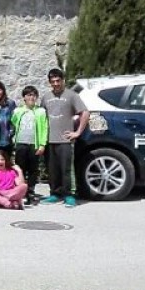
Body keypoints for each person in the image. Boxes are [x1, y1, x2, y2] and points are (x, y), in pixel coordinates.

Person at [41, 68, 89, 208]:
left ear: (63, 80)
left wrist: (78, 132)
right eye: (52, 81)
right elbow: (41, 115)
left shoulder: (72, 95)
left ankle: (69, 195)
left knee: (67, 169)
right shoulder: (46, 97)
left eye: (58, 80)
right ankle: (55, 194)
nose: (55, 84)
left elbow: (85, 113)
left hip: (66, 140)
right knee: (52, 170)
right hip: (50, 140)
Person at [11, 86, 48, 206]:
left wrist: (42, 144)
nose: (31, 97)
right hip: (21, 143)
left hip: (34, 144)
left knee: (33, 169)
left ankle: (30, 191)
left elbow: (44, 128)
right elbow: (13, 124)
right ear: (24, 98)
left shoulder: (40, 111)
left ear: (36, 97)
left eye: (33, 95)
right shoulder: (18, 111)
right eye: (28, 95)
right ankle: (20, 191)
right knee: (20, 168)